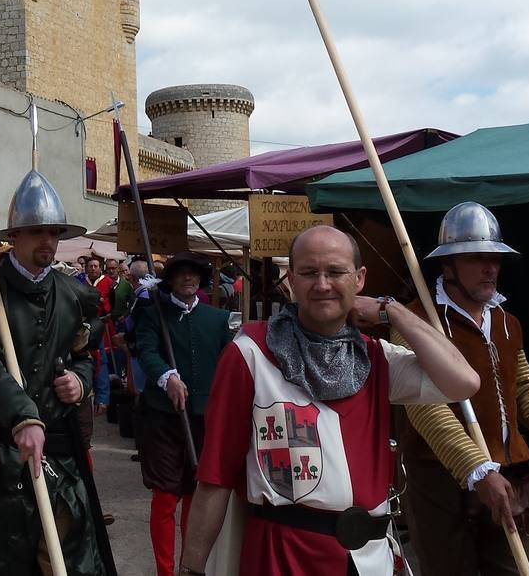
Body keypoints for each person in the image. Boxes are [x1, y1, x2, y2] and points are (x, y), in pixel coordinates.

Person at [178, 225, 482, 576]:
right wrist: (191, 568)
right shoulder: (251, 354)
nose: (322, 285)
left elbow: (464, 382)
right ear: (291, 279)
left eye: (336, 272)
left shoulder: (376, 358)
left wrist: (392, 311)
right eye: (309, 272)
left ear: (359, 279)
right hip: (283, 558)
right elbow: (216, 474)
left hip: (369, 560)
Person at [397, 202, 529, 576]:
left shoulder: (505, 321)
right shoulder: (416, 322)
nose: (491, 268)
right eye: (477, 258)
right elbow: (426, 408)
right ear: (448, 266)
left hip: (507, 473)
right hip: (440, 484)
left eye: (495, 258)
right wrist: (477, 470)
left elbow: (523, 390)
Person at [0, 169, 105, 576]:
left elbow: (84, 355)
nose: (48, 242)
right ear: (13, 237)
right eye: (37, 232)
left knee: (71, 564)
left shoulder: (76, 295)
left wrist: (81, 382)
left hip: (62, 461)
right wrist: (22, 415)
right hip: (3, 460)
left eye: (54, 233)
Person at [134, 252, 234, 576]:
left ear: (200, 281)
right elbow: (147, 352)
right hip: (162, 417)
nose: (188, 279)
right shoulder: (154, 314)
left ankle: (189, 567)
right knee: (165, 496)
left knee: (195, 495)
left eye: (193, 275)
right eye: (181, 274)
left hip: (204, 419)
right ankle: (164, 571)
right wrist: (168, 377)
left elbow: (230, 364)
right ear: (172, 281)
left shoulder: (217, 319)